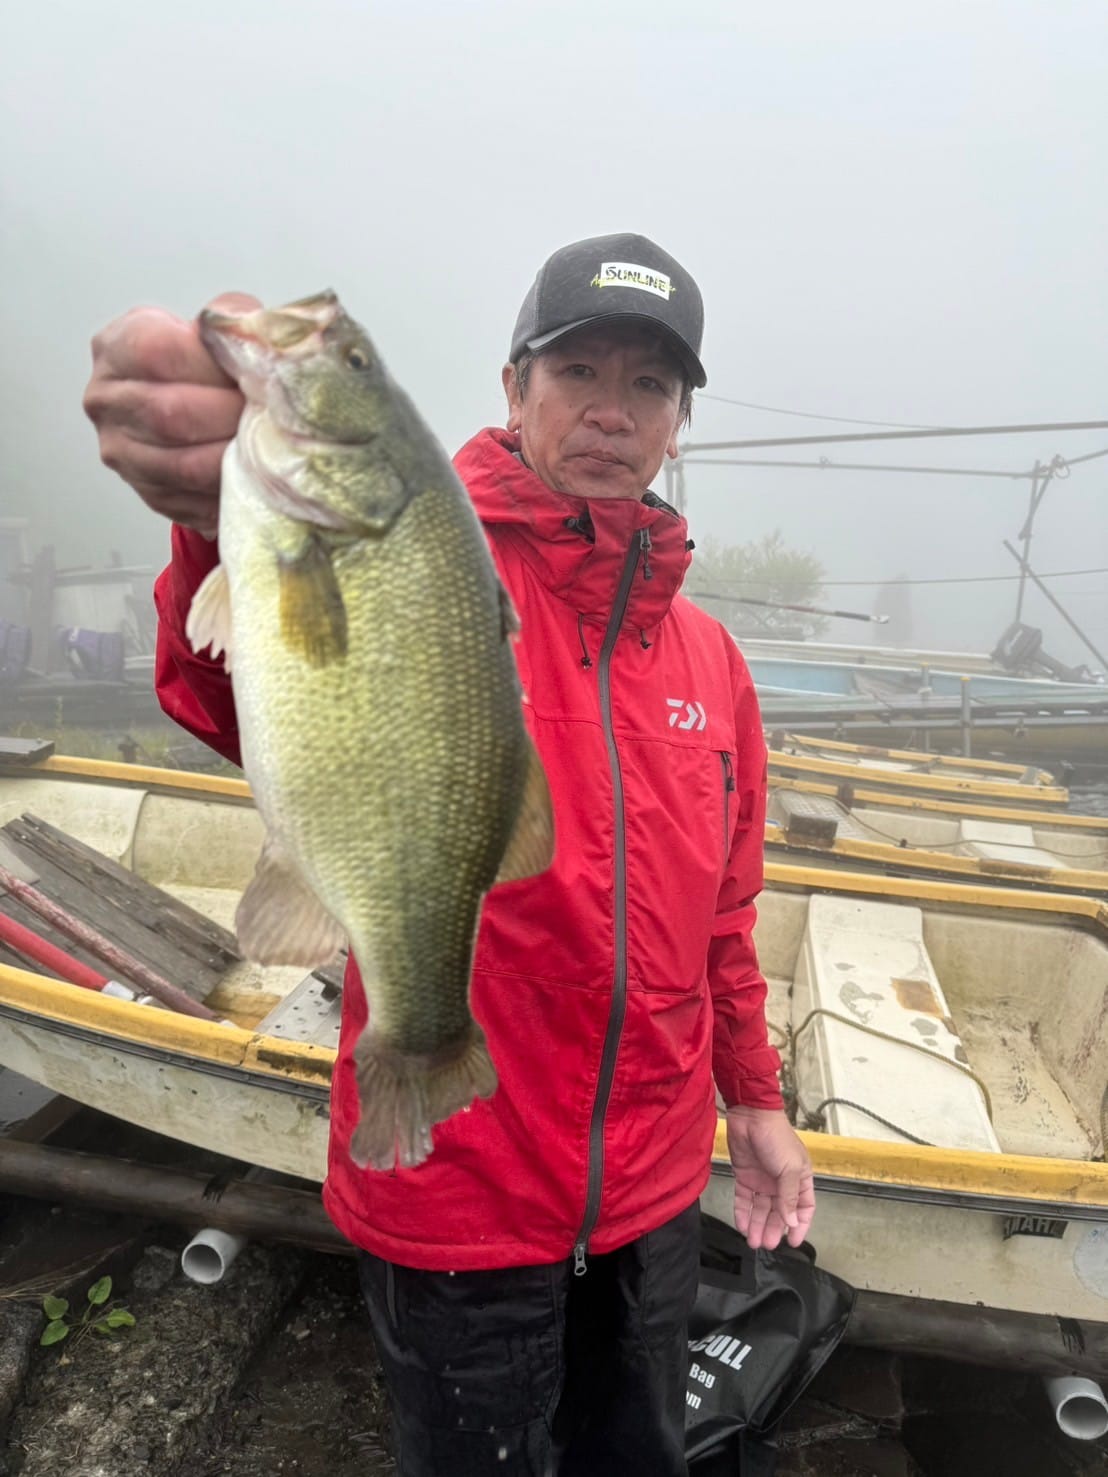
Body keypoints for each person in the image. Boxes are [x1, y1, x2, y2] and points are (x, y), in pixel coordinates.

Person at [84, 232, 815, 1476]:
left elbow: (724, 915)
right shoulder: (415, 551)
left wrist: (753, 1100)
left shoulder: (713, 663)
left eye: (648, 384)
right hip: (459, 1185)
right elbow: (221, 691)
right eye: (577, 370)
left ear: (679, 423)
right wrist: (212, 525)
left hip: (651, 1191)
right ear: (513, 388)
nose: (611, 409)